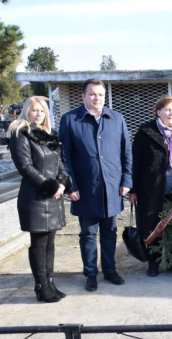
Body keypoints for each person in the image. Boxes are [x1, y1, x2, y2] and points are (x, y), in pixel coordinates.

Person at [59, 79, 133, 292]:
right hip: (85, 188)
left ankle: (110, 270)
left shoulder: (117, 119)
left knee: (110, 232)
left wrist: (126, 180)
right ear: (83, 96)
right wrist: (71, 185)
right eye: (92, 94)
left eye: (100, 94)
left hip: (112, 187)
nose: (96, 98)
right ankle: (90, 273)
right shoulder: (70, 120)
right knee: (88, 234)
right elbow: (65, 157)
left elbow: (126, 152)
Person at [7, 96, 71, 302]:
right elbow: (26, 167)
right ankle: (41, 286)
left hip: (53, 197)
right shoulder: (20, 134)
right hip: (35, 198)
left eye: (42, 110)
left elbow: (59, 163)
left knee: (50, 243)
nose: (38, 114)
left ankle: (50, 283)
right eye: (34, 110)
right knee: (39, 243)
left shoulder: (48, 135)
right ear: (27, 111)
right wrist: (50, 186)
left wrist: (62, 183)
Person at [129, 95, 172, 276]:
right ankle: (154, 263)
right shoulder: (146, 132)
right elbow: (136, 162)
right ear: (158, 112)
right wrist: (133, 189)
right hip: (150, 189)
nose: (171, 113)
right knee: (152, 226)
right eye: (167, 109)